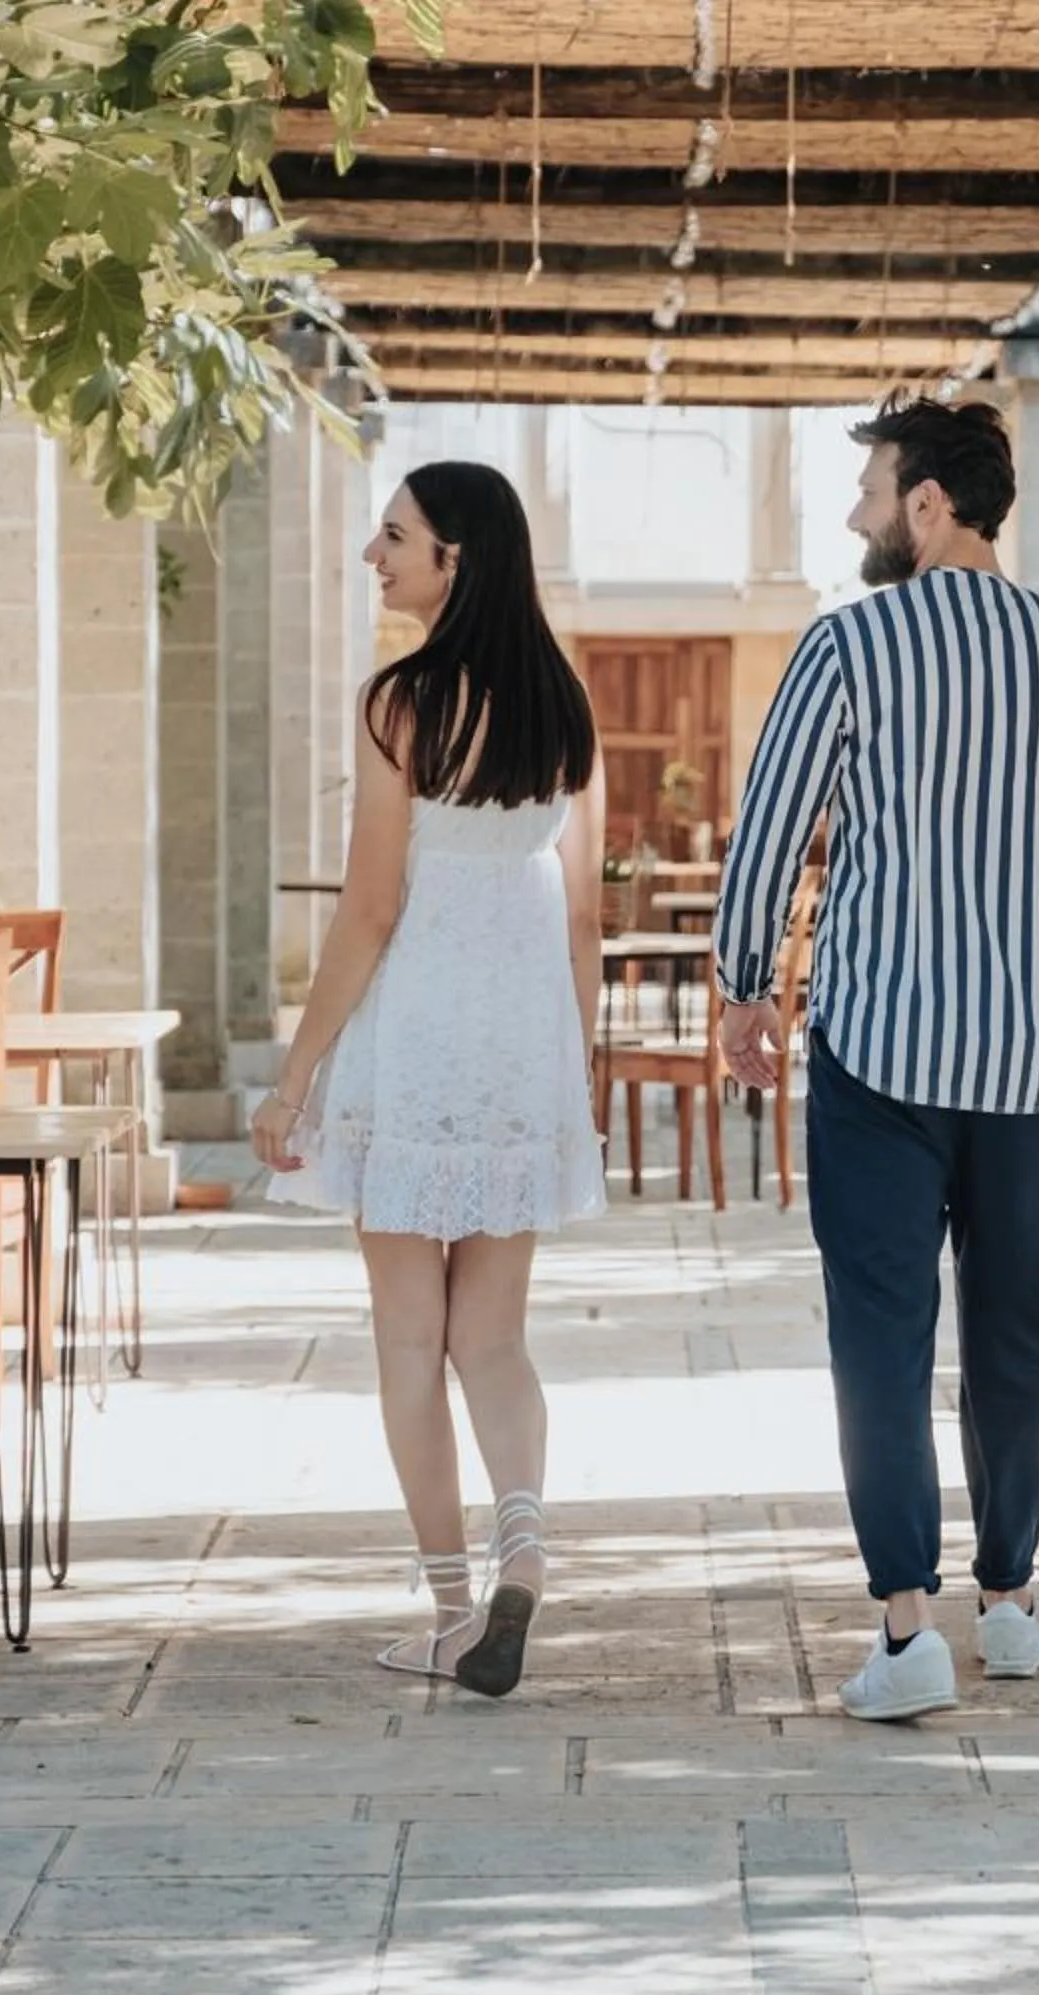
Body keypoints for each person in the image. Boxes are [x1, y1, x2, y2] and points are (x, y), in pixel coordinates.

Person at [715, 394, 1039, 1723]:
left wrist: (745, 984)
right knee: (1017, 1329)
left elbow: (773, 822)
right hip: (1031, 1063)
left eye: (870, 492)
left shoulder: (851, 646)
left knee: (882, 1335)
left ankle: (908, 1625)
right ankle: (1011, 1600)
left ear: (925, 505)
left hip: (877, 1060)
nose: (856, 515)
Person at [252, 458, 605, 1698]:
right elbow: (582, 913)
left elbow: (371, 906)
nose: (373, 555)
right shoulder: (562, 702)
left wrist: (294, 1080)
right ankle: (526, 1546)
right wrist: (574, 1072)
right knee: (495, 1338)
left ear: (455, 558)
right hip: (520, 1041)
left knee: (411, 1339)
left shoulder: (402, 700)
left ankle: (455, 1609)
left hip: (414, 1036)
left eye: (394, 536)